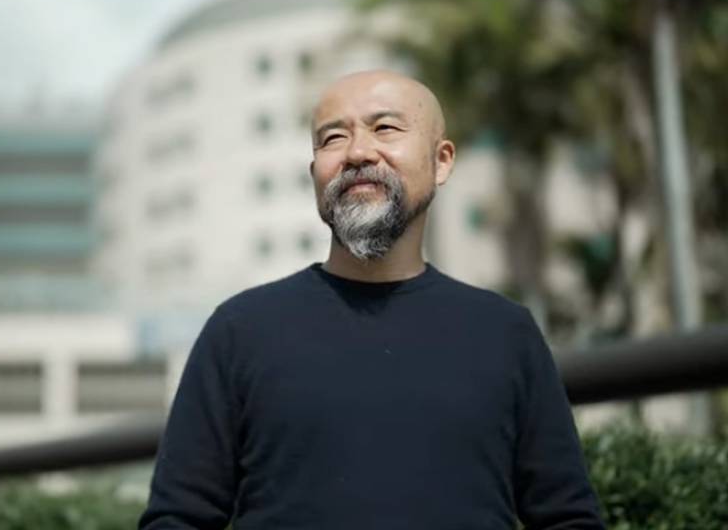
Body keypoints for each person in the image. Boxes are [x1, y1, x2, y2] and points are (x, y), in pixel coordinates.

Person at [138, 70, 606, 529]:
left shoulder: (506, 334)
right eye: (332, 138)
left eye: (385, 128)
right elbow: (177, 518)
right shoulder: (239, 331)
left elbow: (567, 518)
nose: (358, 152)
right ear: (314, 173)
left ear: (441, 161)